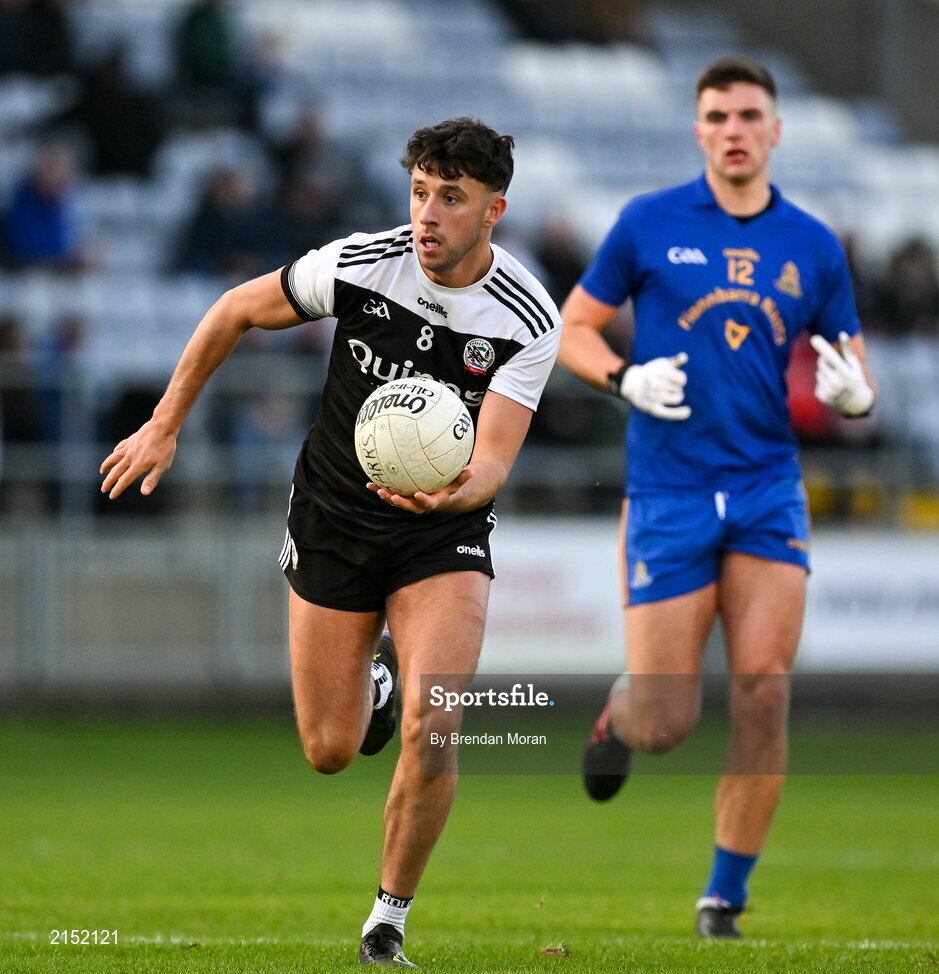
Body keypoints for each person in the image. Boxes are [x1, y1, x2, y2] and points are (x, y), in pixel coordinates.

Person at [100, 116, 561, 967]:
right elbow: (235, 308)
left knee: (439, 721)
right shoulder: (361, 263)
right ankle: (377, 684)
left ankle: (386, 920)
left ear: (493, 210)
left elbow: (493, 456)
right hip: (334, 520)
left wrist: (453, 491)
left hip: (442, 530)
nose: (427, 213)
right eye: (419, 191)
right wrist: (164, 426)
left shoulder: (526, 314)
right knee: (328, 750)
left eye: (450, 198)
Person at [559, 57, 876, 939]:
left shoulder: (812, 245)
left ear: (774, 130)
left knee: (764, 689)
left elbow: (853, 367)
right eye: (716, 116)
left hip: (767, 486)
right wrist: (624, 378)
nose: (733, 129)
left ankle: (722, 899)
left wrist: (857, 399)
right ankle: (621, 716)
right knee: (666, 722)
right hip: (668, 489)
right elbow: (572, 330)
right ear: (697, 131)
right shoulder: (646, 224)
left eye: (748, 115)